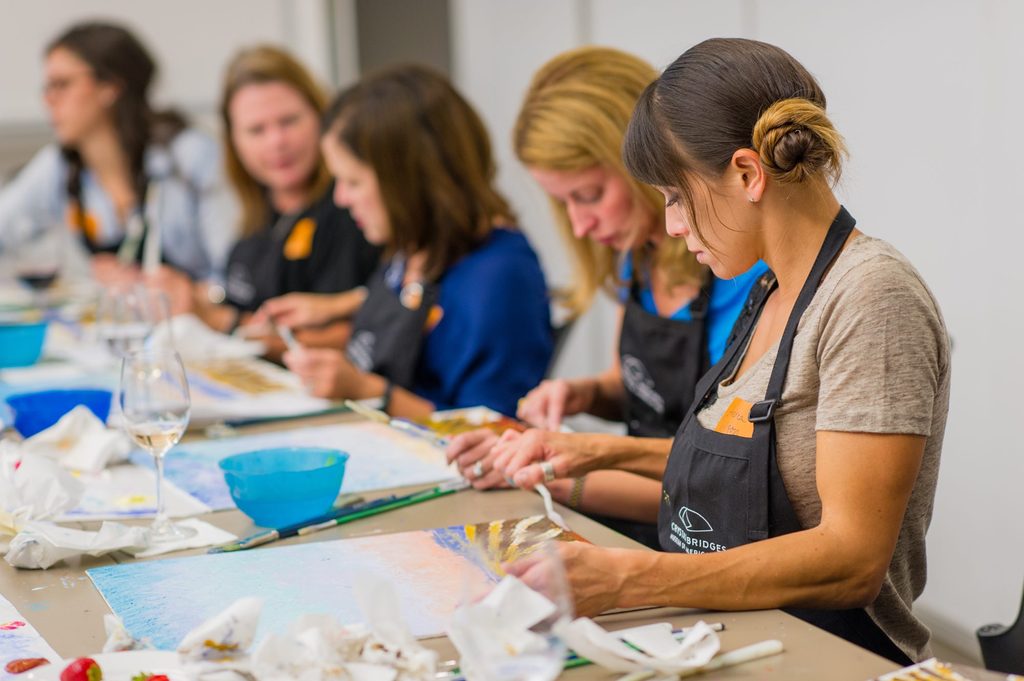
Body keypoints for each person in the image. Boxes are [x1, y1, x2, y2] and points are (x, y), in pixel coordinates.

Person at [493, 38, 949, 665]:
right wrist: (586, 454)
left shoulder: (873, 297)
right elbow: (738, 478)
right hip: (729, 632)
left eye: (676, 197)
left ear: (746, 174)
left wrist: (627, 579)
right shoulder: (768, 291)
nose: (672, 226)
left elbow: (851, 560)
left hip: (829, 655)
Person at [445, 46, 767, 549]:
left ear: (647, 163)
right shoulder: (635, 261)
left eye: (590, 195)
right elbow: (638, 388)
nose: (579, 224)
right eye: (563, 202)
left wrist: (552, 471)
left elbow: (724, 475)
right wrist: (585, 394)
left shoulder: (747, 277)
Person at [282, 65, 553, 419]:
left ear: (410, 182)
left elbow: (494, 433)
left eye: (354, 182)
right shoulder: (410, 247)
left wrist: (369, 391)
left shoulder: (499, 278)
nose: (341, 199)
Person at [155, 46, 380, 342]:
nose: (276, 142)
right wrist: (196, 298)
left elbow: (357, 337)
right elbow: (243, 299)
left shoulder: (350, 209)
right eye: (256, 130)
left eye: (289, 121)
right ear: (234, 140)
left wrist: (224, 321)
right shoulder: (257, 209)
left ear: (322, 118)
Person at [0, 22, 237, 283]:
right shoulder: (61, 166)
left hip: (196, 321)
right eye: (47, 87)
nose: (49, 100)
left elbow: (239, 276)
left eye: (62, 84)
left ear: (110, 87)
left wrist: (195, 297)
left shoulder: (190, 156)